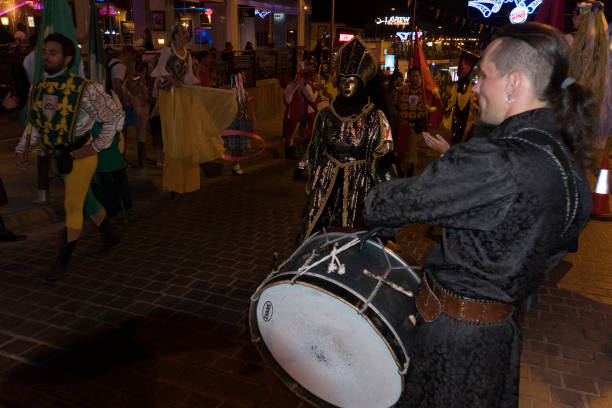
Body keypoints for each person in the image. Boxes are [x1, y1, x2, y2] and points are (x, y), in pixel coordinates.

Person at [363, 23, 594, 407]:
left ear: (513, 83)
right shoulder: (567, 164)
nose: (474, 86)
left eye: (483, 76)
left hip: (454, 341)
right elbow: (555, 246)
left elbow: (380, 205)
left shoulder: (495, 160)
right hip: (500, 333)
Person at [15, 33, 124, 282]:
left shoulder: (85, 88)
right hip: (60, 157)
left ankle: (62, 261)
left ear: (67, 58)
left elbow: (114, 117)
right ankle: (109, 234)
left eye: (53, 52)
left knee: (72, 205)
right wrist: (23, 147)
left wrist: (96, 147)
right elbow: (36, 124)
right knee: (86, 200)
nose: (46, 57)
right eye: (44, 52)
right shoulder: (39, 88)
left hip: (81, 156)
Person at [297, 37, 394, 243]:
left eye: (351, 80)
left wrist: (388, 191)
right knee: (318, 233)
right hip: (327, 180)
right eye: (342, 80)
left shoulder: (375, 117)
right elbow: (315, 148)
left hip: (359, 183)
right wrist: (304, 165)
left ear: (360, 83)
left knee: (355, 236)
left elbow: (383, 156)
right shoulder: (326, 115)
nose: (346, 85)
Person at [150, 25, 200, 193]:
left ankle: (185, 179)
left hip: (180, 95)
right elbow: (160, 70)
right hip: (167, 94)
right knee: (172, 133)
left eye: (186, 33)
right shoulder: (167, 51)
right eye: (183, 33)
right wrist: (173, 81)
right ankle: (173, 180)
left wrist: (195, 84)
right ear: (176, 35)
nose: (185, 36)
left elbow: (188, 75)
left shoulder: (188, 54)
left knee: (183, 133)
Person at [394, 68, 429, 176]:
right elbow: (396, 105)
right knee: (402, 151)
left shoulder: (425, 92)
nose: (414, 78)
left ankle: (409, 173)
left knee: (413, 153)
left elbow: (433, 106)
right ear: (409, 77)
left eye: (416, 76)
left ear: (420, 77)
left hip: (416, 127)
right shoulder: (402, 90)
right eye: (412, 76)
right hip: (404, 126)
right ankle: (401, 171)